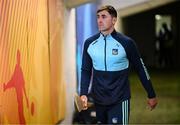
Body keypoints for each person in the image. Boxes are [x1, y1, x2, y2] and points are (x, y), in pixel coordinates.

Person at [80, 5, 157, 124]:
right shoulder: (89, 43)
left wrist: (151, 94)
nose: (100, 20)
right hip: (98, 100)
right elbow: (85, 70)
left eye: (104, 17)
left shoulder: (127, 43)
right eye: (98, 17)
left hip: (120, 100)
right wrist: (83, 93)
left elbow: (141, 69)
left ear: (114, 20)